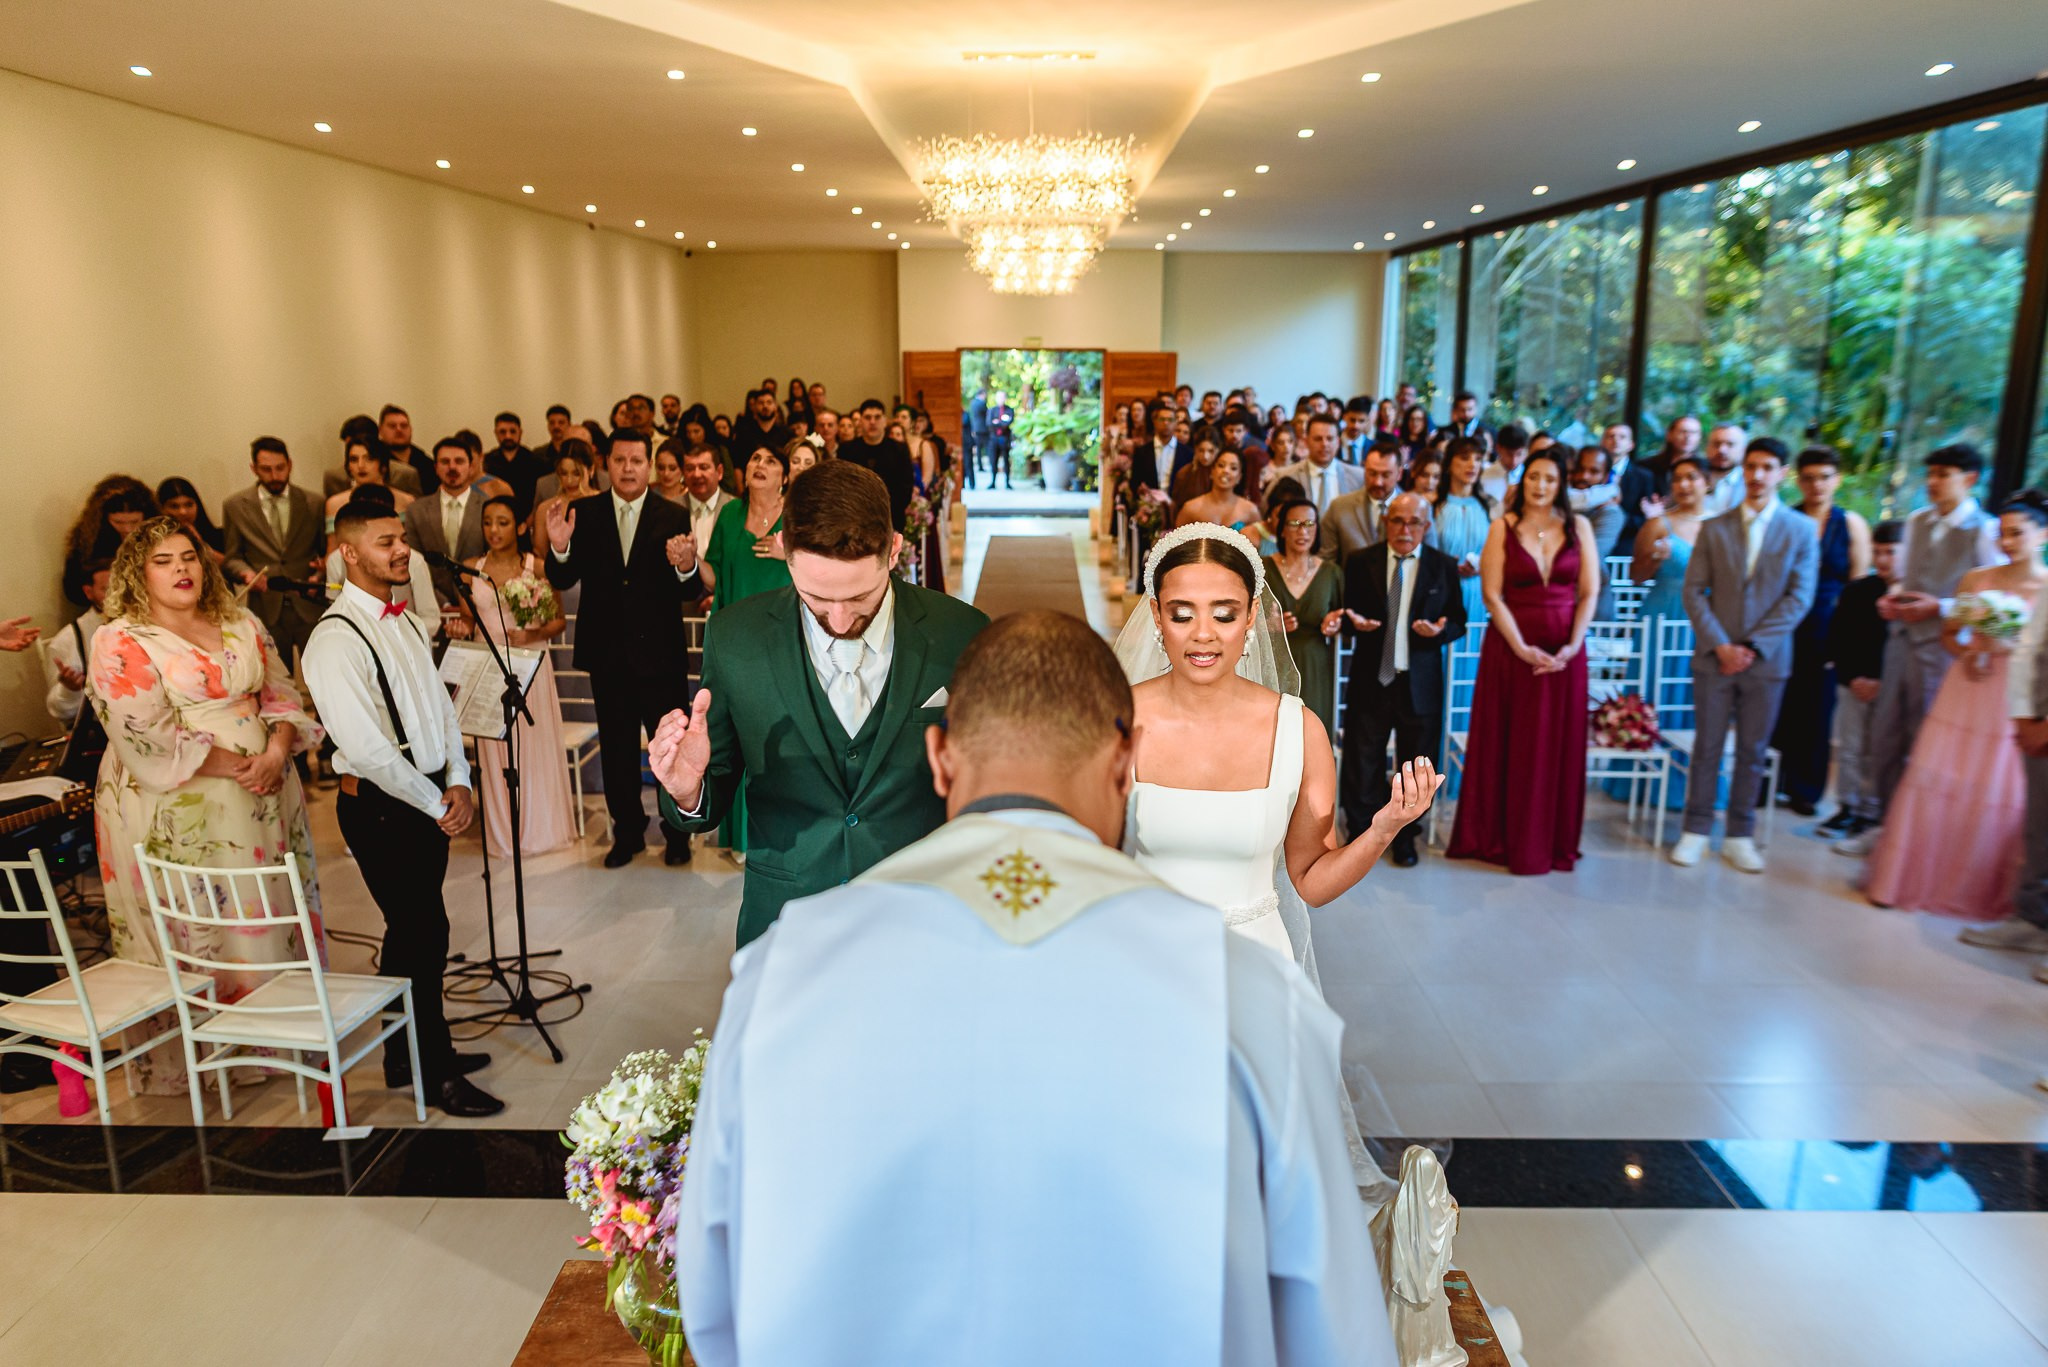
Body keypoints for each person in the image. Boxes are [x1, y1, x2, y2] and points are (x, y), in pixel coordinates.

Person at [676, 611, 1397, 1367]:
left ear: (939, 759)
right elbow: (1334, 1334)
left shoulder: (786, 971)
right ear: (1127, 761)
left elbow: (715, 1299)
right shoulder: (1249, 997)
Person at [1115, 523, 1436, 1194]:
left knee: (1252, 1182)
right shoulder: (1115, 721)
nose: (1203, 634)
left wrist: (1380, 829)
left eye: (1224, 614)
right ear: (1155, 617)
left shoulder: (1298, 728)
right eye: (1182, 613)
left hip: (1258, 974)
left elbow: (1311, 881)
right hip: (1147, 974)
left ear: (1252, 618)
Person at [649, 461, 988, 947]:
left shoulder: (963, 632)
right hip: (787, 918)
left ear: (893, 550)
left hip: (924, 917)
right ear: (785, 552)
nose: (841, 617)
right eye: (816, 597)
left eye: (860, 596)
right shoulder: (735, 638)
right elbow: (715, 783)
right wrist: (689, 791)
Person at [88, 517, 322, 1095]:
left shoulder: (239, 619)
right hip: (176, 802)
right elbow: (143, 733)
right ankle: (205, 1054)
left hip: (263, 796)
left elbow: (281, 691)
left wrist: (276, 748)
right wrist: (240, 765)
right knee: (198, 916)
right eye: (163, 561)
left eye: (188, 556)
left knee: (262, 906)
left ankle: (272, 1040)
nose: (181, 569)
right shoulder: (120, 640)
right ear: (137, 574)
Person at [303, 498, 502, 1116]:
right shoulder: (333, 640)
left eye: (402, 540)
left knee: (411, 931)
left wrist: (462, 777)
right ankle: (432, 1071)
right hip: (383, 810)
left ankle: (401, 1054)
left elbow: (442, 712)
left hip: (427, 797)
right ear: (350, 553)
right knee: (425, 933)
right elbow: (365, 749)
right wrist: (434, 800)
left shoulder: (411, 622)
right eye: (386, 541)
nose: (401, 551)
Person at [1863, 494, 2046, 916]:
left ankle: (1984, 893)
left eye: (2018, 533)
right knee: (1938, 778)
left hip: (2013, 695)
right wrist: (1966, 651)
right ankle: (1909, 878)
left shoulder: (2047, 588)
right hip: (1965, 687)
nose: (2008, 541)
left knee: (1994, 788)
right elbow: (1950, 633)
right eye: (2002, 533)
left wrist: (2012, 645)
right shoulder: (1977, 580)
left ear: (2043, 534)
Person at [544, 430, 702, 868]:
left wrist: (686, 565)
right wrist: (559, 547)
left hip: (661, 655)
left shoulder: (673, 513)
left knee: (668, 749)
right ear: (605, 465)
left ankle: (676, 834)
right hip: (608, 653)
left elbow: (687, 590)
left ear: (648, 466)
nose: (628, 468)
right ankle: (627, 832)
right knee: (616, 750)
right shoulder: (585, 512)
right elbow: (562, 579)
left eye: (636, 460)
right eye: (619, 460)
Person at [1842, 444, 2005, 857]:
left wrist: (1944, 607)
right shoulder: (1915, 522)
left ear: (1969, 479)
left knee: (1925, 745)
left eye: (1943, 474)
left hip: (1943, 650)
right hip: (1899, 643)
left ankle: (1916, 842)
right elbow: (1906, 579)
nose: (1932, 482)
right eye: (1930, 473)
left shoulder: (1984, 530)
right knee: (1885, 737)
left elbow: (1998, 599)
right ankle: (1882, 828)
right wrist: (1892, 599)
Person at [1667, 439, 1819, 874]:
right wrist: (1721, 645)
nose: (1757, 476)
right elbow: (1693, 590)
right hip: (1715, 655)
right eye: (1751, 467)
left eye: (1767, 468)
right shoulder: (1715, 528)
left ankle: (1739, 834)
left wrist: (1752, 647)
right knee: (1708, 745)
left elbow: (1800, 596)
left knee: (1753, 750)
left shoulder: (1801, 529)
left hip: (1767, 661)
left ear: (1782, 473)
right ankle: (1695, 830)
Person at [1447, 449, 1600, 874]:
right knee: (1510, 741)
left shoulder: (1579, 527)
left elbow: (1589, 592)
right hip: (1512, 651)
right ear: (1522, 480)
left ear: (1561, 485)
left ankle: (1551, 841)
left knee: (1557, 745)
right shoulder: (1502, 527)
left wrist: (1573, 646)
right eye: (1534, 477)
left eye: (1550, 479)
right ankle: (1499, 837)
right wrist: (1519, 647)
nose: (1541, 486)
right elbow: (1492, 594)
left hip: (1566, 656)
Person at [1334, 493, 1467, 868]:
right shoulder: (1361, 561)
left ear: (1426, 527)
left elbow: (1459, 619)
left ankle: (1406, 836)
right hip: (1372, 676)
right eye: (1397, 520)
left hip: (1420, 680)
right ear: (1385, 523)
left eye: (1413, 522)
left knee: (1416, 763)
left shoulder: (1443, 566)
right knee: (1363, 757)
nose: (1404, 529)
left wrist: (1439, 631)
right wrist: (1352, 623)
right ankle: (1360, 833)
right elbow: (1346, 613)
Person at [462, 496, 575, 859]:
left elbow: (558, 620)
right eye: (488, 523)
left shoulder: (537, 567)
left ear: (520, 526)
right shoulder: (469, 569)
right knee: (494, 752)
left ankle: (540, 829)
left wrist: (532, 634)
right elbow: (469, 622)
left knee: (532, 746)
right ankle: (502, 832)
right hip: (487, 664)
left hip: (529, 663)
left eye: (503, 522)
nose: (493, 530)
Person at [1770, 447, 1872, 815]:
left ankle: (1805, 790)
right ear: (1798, 481)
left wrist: (1851, 638)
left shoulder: (1852, 524)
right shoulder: (1784, 519)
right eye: (1810, 477)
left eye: (1825, 477)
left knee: (1816, 709)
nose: (1817, 485)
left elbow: (1858, 583)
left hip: (1829, 625)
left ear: (1837, 479)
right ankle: (1767, 782)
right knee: (1777, 702)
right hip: (1783, 621)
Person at [1821, 521, 1902, 839]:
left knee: (1879, 749)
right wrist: (1852, 677)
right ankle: (1846, 807)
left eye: (1892, 553)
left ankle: (1871, 811)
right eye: (1878, 552)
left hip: (1890, 686)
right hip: (1852, 682)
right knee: (1851, 747)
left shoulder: (1910, 598)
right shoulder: (1857, 591)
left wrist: (1881, 681)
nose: (1884, 560)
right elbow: (1839, 638)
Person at [221, 437, 325, 668]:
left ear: (289, 464)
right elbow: (232, 557)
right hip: (266, 606)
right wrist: (247, 575)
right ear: (254, 469)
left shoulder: (313, 503)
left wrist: (318, 576)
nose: (275, 475)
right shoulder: (236, 506)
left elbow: (324, 552)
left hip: (307, 601)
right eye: (266, 469)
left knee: (324, 672)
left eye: (280, 468)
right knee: (278, 681)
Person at [1264, 497, 1343, 731]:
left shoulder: (1331, 572)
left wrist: (1335, 624)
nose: (1302, 531)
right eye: (1295, 523)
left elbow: (1341, 616)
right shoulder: (1264, 569)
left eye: (1309, 524)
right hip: (1274, 662)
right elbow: (1245, 618)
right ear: (1282, 529)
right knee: (1273, 733)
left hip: (1315, 663)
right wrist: (1268, 625)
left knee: (1312, 733)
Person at [401, 436, 489, 609]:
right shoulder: (416, 511)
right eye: (445, 461)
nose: (452, 467)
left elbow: (494, 559)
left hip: (482, 605)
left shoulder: (489, 507)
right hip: (433, 605)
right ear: (435, 467)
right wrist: (443, 602)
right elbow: (413, 562)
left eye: (459, 461)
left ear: (471, 467)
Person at [1630, 456, 1711, 627]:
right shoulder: (1657, 524)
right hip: (1665, 612)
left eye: (1691, 477)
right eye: (1676, 479)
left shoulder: (1721, 525)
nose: (1683, 484)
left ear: (1708, 482)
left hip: (1708, 614)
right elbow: (1636, 576)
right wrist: (1655, 558)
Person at [62, 478, 156, 606]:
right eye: (118, 522)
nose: (127, 529)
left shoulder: (156, 537)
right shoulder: (87, 542)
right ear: (103, 519)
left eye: (134, 522)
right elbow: (73, 591)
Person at [1430, 436, 1493, 625]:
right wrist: (1449, 567)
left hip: (1477, 590)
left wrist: (1481, 566)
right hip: (1441, 588)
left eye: (1478, 459)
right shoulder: (1433, 505)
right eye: (1465, 458)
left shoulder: (1488, 506)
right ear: (1449, 463)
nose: (1472, 465)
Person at [45, 558, 111, 724]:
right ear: (89, 592)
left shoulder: (147, 624)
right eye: (107, 590)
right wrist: (70, 690)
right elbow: (58, 710)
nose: (117, 596)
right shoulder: (68, 640)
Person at [839, 398, 918, 529]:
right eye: (868, 417)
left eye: (877, 417)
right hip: (856, 519)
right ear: (860, 422)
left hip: (892, 517)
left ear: (885, 421)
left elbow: (906, 486)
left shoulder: (899, 449)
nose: (872, 422)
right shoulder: (847, 450)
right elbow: (843, 486)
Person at [324, 436, 416, 548]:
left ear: (383, 464)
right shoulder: (335, 503)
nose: (361, 466)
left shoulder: (406, 500)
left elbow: (411, 545)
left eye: (369, 459)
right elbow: (332, 549)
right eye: (354, 459)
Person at [1271, 413, 1363, 523]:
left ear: (1338, 442)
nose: (1324, 444)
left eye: (1329, 438)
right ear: (1306, 441)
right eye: (1318, 439)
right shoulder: (1285, 476)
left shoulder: (1358, 477)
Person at [1320, 442, 1401, 565]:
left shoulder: (1419, 510)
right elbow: (1326, 564)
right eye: (1372, 473)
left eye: (1385, 475)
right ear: (1364, 469)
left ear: (1399, 474)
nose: (1378, 482)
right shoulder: (1339, 508)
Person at [530, 441, 596, 559]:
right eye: (564, 473)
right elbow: (540, 555)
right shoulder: (546, 509)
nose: (569, 481)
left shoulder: (607, 503)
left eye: (576, 474)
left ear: (591, 470)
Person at [1175, 448, 1261, 530]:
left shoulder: (1250, 511)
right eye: (1221, 465)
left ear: (1239, 477)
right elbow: (1176, 542)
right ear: (1212, 471)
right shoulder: (1191, 508)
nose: (1226, 471)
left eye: (1233, 468)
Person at [153, 478, 225, 559]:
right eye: (174, 506)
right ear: (161, 508)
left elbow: (228, 567)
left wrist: (200, 545)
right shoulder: (153, 542)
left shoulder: (220, 537)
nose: (183, 512)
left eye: (189, 505)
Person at [728, 387, 792, 470]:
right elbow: (738, 465)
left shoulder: (787, 433)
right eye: (761, 403)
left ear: (775, 406)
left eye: (769, 402)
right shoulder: (744, 433)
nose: (765, 406)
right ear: (754, 407)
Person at [1699, 423, 1747, 514]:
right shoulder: (1691, 478)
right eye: (1716, 444)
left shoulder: (1749, 485)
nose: (1722, 450)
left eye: (1730, 444)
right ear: (1707, 448)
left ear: (1743, 450)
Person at [1477, 423, 1530, 505]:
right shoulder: (1483, 476)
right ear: (1498, 448)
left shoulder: (1529, 477)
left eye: (1519, 454)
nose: (1514, 461)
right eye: (1509, 454)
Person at [652, 438, 690, 506]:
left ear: (682, 469)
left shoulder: (692, 497)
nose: (666, 474)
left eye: (672, 468)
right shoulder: (648, 496)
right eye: (661, 468)